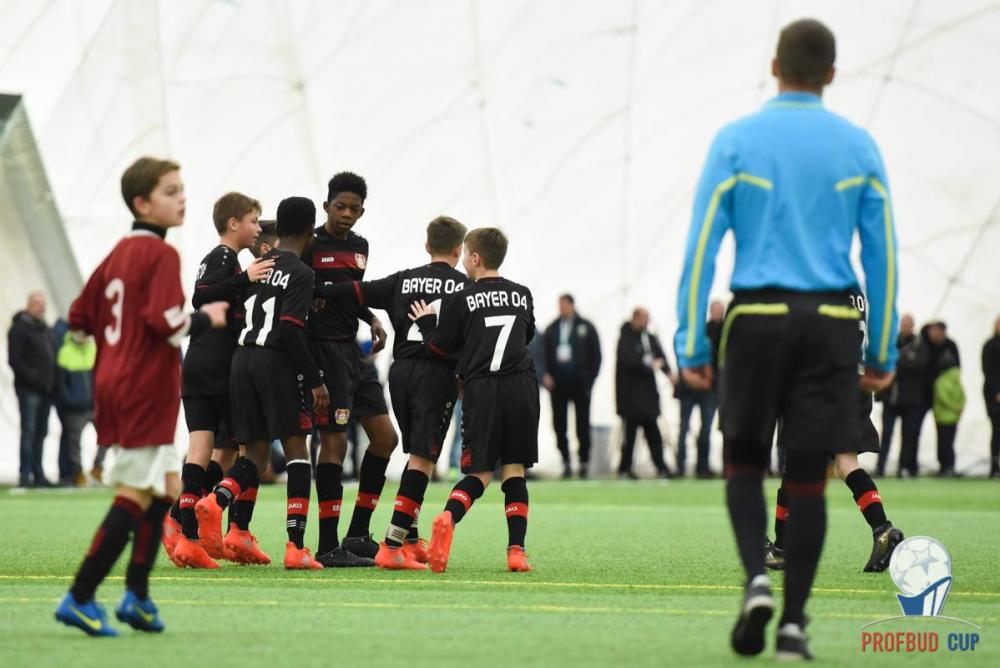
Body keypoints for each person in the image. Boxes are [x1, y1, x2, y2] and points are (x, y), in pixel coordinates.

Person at [673, 20, 898, 660]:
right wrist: (881, 349)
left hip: (757, 316)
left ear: (775, 67)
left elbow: (701, 248)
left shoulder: (736, 141)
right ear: (831, 73)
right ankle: (794, 625)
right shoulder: (859, 147)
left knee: (745, 462)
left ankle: (755, 581)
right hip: (830, 322)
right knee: (807, 474)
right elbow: (881, 255)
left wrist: (692, 344)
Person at [55, 156, 228, 636]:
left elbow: (79, 317)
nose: (182, 198)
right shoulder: (161, 254)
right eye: (170, 191)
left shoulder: (118, 251)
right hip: (143, 386)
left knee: (166, 488)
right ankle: (80, 596)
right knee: (135, 491)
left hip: (116, 380)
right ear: (142, 203)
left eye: (181, 189)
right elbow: (165, 322)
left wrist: (117, 342)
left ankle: (137, 596)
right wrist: (207, 317)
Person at [316, 215, 471, 569]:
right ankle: (393, 543)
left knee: (413, 452)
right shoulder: (465, 288)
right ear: (458, 250)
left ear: (427, 245)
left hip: (400, 373)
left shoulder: (403, 280)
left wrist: (317, 291)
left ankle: (411, 540)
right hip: (436, 374)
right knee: (423, 459)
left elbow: (355, 291)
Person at [196, 196, 330, 571]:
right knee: (297, 452)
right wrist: (316, 380)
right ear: (311, 231)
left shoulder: (259, 266)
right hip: (276, 364)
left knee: (253, 454)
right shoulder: (302, 272)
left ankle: (218, 505)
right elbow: (289, 330)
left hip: (242, 360)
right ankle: (296, 547)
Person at [408, 227, 538, 574]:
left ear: (476, 258)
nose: (463, 259)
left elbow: (440, 347)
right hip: (521, 389)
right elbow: (526, 335)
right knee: (514, 470)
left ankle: (448, 518)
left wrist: (427, 325)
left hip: (482, 391)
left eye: (466, 254)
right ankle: (516, 551)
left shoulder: (462, 298)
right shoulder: (522, 294)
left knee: (479, 473)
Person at [165, 192, 273, 569]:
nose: (257, 228)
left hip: (197, 360)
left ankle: (185, 532)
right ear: (233, 223)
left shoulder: (223, 259)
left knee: (207, 449)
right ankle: (223, 528)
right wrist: (246, 278)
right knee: (247, 445)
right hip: (217, 362)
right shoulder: (224, 257)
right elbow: (202, 297)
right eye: (253, 221)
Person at [766, 291, 904, 573]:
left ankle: (782, 550)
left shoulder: (818, 285)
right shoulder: (857, 293)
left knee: (796, 467)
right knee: (846, 463)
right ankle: (883, 529)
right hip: (856, 382)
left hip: (818, 384)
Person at [303, 171, 399, 568]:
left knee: (386, 438)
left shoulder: (360, 247)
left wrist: (371, 317)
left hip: (354, 353)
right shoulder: (309, 244)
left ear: (362, 212)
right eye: (340, 207)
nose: (346, 214)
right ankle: (328, 546)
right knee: (335, 445)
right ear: (326, 206)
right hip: (325, 353)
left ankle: (358, 534)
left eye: (354, 209)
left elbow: (351, 293)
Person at [543, 294, 601, 478]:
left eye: (565, 305)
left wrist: (589, 380)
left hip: (580, 384)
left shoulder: (586, 327)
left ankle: (583, 461)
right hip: (558, 384)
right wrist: (546, 375)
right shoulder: (552, 329)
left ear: (572, 305)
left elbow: (596, 355)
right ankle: (566, 460)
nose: (562, 308)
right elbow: (543, 354)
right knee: (559, 424)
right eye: (560, 305)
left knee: (582, 423)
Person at [614, 307, 674, 479]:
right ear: (635, 318)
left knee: (653, 433)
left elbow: (661, 358)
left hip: (648, 397)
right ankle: (625, 468)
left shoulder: (650, 338)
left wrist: (669, 373)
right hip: (630, 397)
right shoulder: (625, 339)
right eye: (643, 318)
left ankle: (661, 467)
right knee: (629, 436)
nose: (646, 321)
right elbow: (630, 362)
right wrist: (648, 366)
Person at [8, 290, 55, 488]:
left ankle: (38, 473)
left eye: (43, 305)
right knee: (29, 430)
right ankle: (25, 474)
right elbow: (15, 359)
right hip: (29, 390)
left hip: (46, 390)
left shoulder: (45, 329)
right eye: (37, 304)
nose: (41, 308)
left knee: (41, 432)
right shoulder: (19, 328)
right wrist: (33, 378)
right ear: (28, 305)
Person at [675, 300, 723, 478]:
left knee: (706, 428)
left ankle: (703, 466)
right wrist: (692, 377)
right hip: (688, 389)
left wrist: (708, 379)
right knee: (684, 427)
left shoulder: (723, 331)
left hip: (709, 388)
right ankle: (680, 465)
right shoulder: (687, 333)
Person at [52, 318, 96, 486]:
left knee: (107, 438)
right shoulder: (65, 351)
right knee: (74, 443)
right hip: (75, 407)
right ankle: (77, 474)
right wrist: (70, 401)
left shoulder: (93, 348)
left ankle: (98, 468)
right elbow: (61, 382)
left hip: (93, 405)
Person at [876, 313, 916, 476]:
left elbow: (919, 366)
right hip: (891, 399)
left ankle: (903, 467)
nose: (906, 327)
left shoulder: (918, 344)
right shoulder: (891, 342)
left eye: (908, 324)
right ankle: (880, 467)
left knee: (908, 435)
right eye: (904, 324)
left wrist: (898, 362)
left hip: (910, 400)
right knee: (886, 434)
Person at [932, 348, 964, 477]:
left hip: (942, 416)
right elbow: (962, 396)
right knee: (950, 443)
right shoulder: (956, 380)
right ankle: (950, 466)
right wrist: (959, 407)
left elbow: (942, 398)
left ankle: (945, 467)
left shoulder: (941, 380)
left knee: (943, 443)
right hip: (954, 416)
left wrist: (953, 407)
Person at [982, 316, 1000, 478]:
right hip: (994, 397)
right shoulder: (990, 345)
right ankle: (995, 466)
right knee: (997, 431)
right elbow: (988, 371)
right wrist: (996, 392)